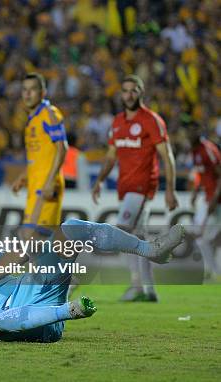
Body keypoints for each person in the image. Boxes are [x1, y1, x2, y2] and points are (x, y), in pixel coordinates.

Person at [0, 218, 185, 342]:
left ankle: (150, 249)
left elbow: (20, 253)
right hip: (26, 321)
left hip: (34, 286)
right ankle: (67, 311)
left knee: (70, 228)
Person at [92, 75, 179, 302]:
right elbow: (111, 157)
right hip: (125, 187)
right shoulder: (118, 122)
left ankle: (135, 284)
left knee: (121, 232)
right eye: (125, 90)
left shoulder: (151, 120)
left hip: (142, 187)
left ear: (141, 92)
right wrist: (100, 180)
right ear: (121, 94)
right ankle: (148, 289)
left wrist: (170, 188)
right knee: (138, 239)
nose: (129, 95)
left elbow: (166, 156)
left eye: (134, 90)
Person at [12, 73, 67, 229]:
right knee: (38, 243)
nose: (28, 94)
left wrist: (51, 181)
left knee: (31, 238)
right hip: (35, 184)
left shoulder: (49, 114)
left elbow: (62, 148)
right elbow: (38, 157)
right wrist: (23, 177)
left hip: (46, 185)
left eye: (33, 89)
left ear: (43, 93)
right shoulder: (31, 120)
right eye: (24, 90)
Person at [188, 126, 220, 278]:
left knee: (202, 237)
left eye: (192, 131)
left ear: (198, 132)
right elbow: (201, 174)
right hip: (209, 198)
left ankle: (213, 271)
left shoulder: (208, 149)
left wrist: (215, 199)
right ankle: (212, 270)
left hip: (217, 200)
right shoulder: (194, 151)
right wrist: (195, 192)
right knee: (201, 236)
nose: (189, 135)